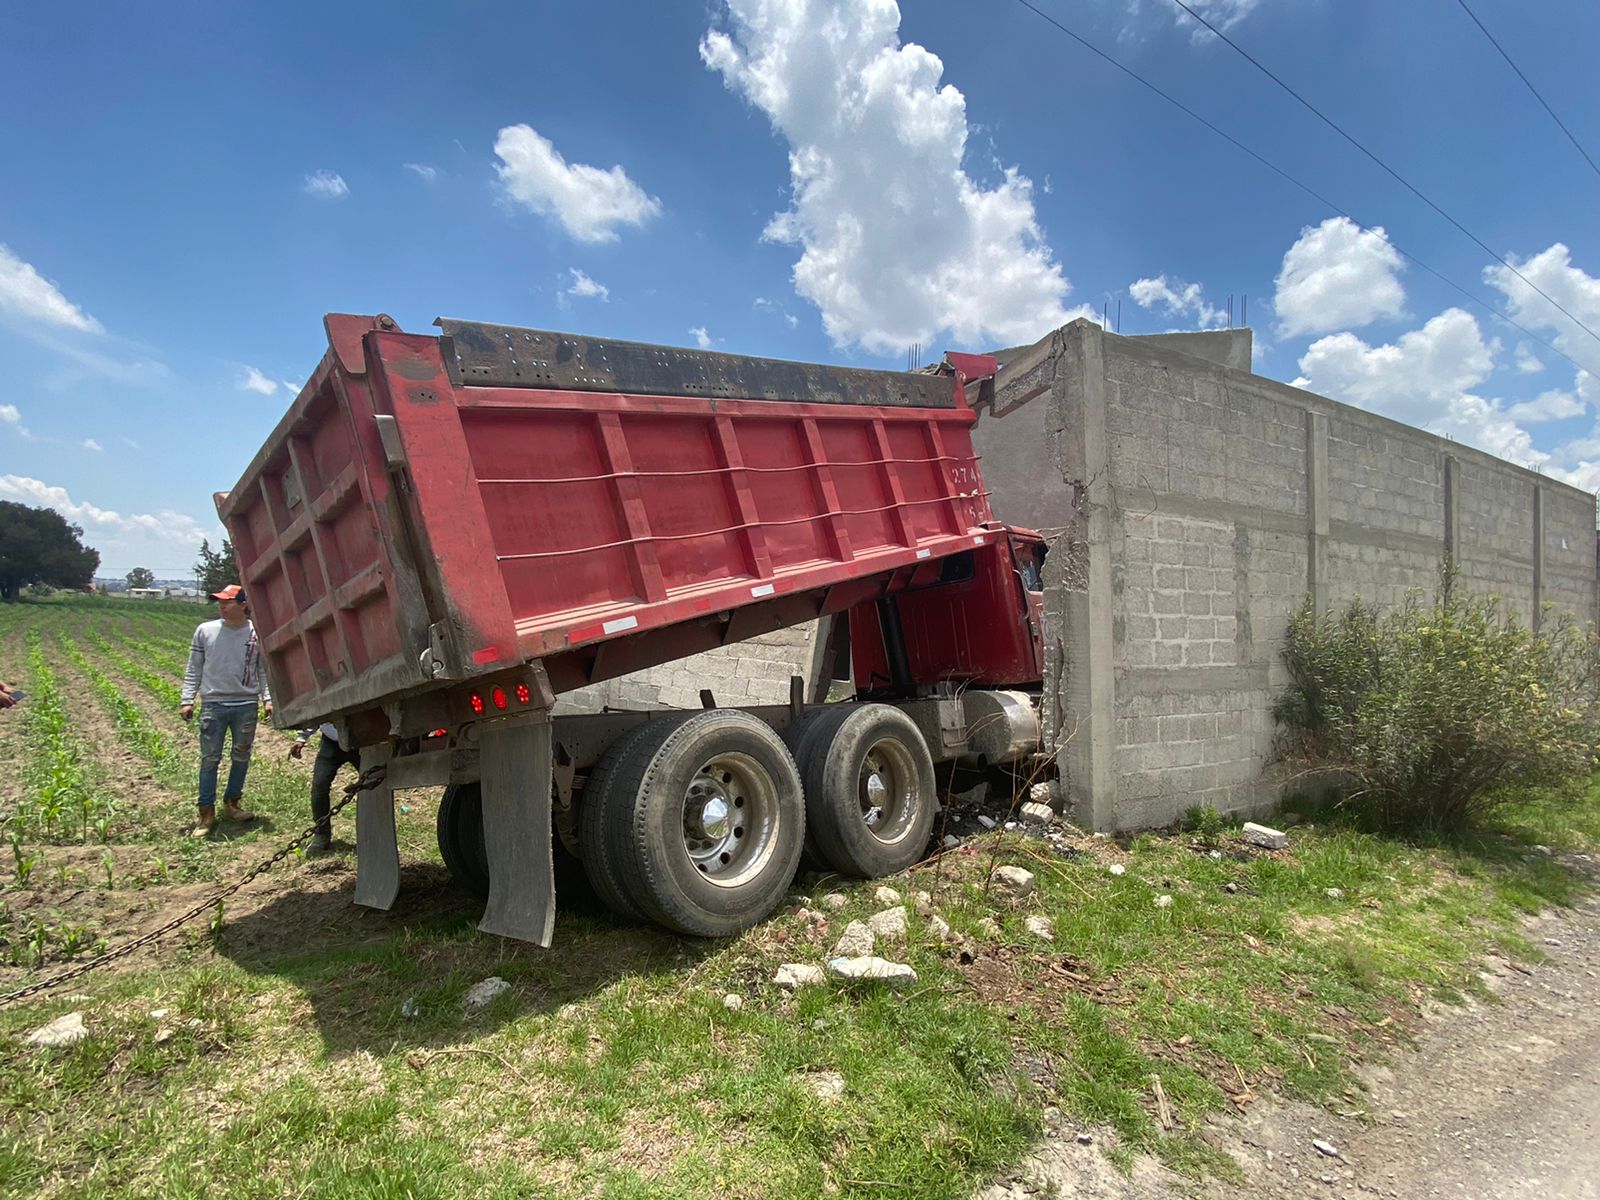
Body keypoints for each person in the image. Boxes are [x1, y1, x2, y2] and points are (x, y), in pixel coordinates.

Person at [180, 584, 272, 837]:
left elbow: (263, 670)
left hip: (245, 705)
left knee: (241, 756)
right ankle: (205, 813)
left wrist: (267, 698)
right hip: (214, 705)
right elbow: (193, 668)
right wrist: (187, 699)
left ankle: (232, 803)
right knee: (210, 759)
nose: (222, 606)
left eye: (227, 602)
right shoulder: (205, 631)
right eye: (219, 602)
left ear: (243, 604)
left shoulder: (256, 633)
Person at [288, 722, 360, 853]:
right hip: (331, 743)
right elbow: (316, 708)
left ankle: (376, 834)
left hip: (362, 740)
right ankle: (321, 834)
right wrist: (302, 737)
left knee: (375, 786)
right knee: (319, 787)